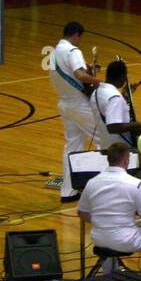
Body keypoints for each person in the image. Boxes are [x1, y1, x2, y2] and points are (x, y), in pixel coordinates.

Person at [77, 143, 141, 277]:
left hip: (98, 238)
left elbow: (82, 212)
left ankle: (109, 276)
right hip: (125, 240)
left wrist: (102, 222)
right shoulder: (134, 183)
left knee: (111, 239)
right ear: (126, 159)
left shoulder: (92, 182)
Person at [51, 21, 101, 201]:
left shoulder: (54, 53)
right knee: (104, 140)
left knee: (73, 146)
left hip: (64, 104)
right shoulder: (73, 51)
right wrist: (97, 82)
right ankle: (102, 189)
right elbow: (79, 75)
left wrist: (90, 71)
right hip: (79, 104)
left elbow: (70, 75)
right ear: (76, 35)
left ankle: (68, 191)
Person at [91, 60, 141, 149]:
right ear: (122, 77)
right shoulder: (115, 98)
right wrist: (135, 125)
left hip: (105, 144)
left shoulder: (97, 92)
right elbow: (113, 127)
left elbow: (108, 110)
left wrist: (124, 96)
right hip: (120, 148)